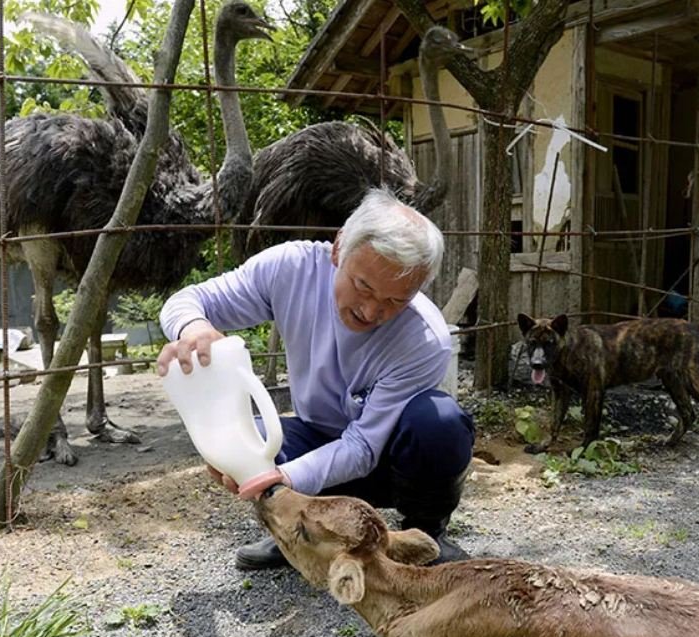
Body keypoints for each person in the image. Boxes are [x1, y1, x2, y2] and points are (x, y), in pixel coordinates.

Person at [157, 188, 475, 570]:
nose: (372, 310)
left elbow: (361, 447)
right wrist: (193, 328)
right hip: (315, 435)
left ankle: (425, 535)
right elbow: (187, 301)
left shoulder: (425, 339)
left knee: (439, 422)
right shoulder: (290, 269)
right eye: (363, 286)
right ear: (339, 248)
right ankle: (295, 534)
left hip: (390, 458)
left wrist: (282, 480)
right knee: (249, 438)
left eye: (396, 301)